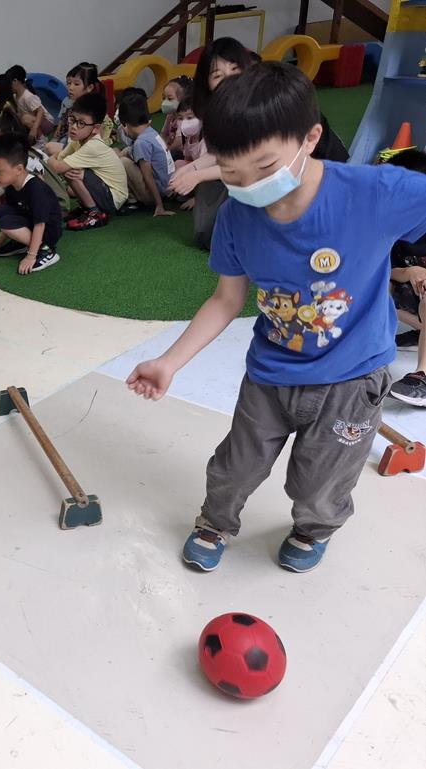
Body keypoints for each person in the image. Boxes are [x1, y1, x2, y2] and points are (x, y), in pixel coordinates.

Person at [126, 62, 426, 573]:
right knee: (234, 467)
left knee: (321, 482)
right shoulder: (237, 215)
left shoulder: (375, 193)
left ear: (310, 138)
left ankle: (313, 531)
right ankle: (215, 522)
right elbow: (226, 300)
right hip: (271, 373)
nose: (248, 185)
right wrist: (169, 362)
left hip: (352, 379)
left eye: (264, 168)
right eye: (231, 172)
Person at [170, 37, 350, 250]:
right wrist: (192, 168)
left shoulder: (261, 104)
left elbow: (255, 164)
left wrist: (197, 175)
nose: (229, 79)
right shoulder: (226, 109)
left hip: (318, 174)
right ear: (206, 83)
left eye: (235, 69)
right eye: (218, 75)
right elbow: (225, 153)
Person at [46, 92, 128, 230]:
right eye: (72, 120)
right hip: (103, 189)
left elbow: (57, 167)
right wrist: (55, 160)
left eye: (81, 123)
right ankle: (87, 207)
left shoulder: (93, 146)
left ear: (95, 128)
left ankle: (94, 213)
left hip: (113, 199)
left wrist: (50, 159)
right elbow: (59, 160)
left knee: (71, 170)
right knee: (70, 168)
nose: (74, 126)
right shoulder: (77, 140)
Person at [0, 133, 63, 274]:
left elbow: (40, 224)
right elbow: (10, 217)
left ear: (19, 169)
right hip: (30, 223)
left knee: (6, 222)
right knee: (0, 211)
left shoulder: (36, 189)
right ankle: (23, 243)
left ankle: (45, 250)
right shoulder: (11, 186)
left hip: (48, 232)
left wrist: (31, 256)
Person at [385, 149, 426, 406]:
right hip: (412, 295)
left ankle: (423, 376)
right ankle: (421, 331)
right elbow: (379, 268)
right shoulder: (390, 225)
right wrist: (408, 272)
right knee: (374, 286)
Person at [118, 95, 176, 217]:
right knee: (124, 152)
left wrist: (159, 205)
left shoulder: (141, 142)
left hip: (157, 193)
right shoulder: (150, 132)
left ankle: (132, 200)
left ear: (125, 125)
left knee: (123, 162)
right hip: (166, 187)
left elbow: (147, 175)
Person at [45, 63, 115, 156]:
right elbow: (65, 121)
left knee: (51, 148)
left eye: (76, 84)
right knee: (51, 145)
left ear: (89, 87)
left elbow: (96, 142)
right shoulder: (69, 102)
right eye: (69, 83)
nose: (70, 88)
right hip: (72, 140)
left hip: (86, 147)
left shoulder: (94, 110)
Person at [6, 65, 55, 143]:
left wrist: (34, 129)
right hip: (35, 121)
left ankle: (42, 140)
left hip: (47, 123)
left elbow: (40, 111)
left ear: (15, 81)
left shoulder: (27, 96)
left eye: (8, 84)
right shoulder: (16, 97)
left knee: (25, 118)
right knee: (20, 118)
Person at [160, 76, 192, 156]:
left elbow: (179, 141)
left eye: (170, 99)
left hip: (182, 152)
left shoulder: (183, 118)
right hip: (170, 148)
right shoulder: (170, 115)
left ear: (183, 99)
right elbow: (163, 133)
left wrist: (165, 152)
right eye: (163, 98)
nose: (165, 102)